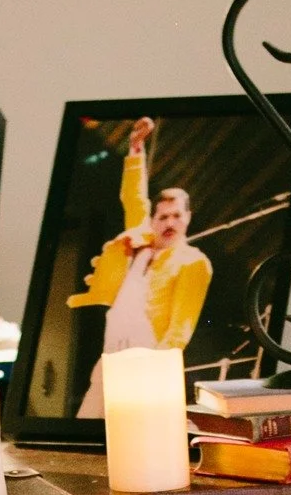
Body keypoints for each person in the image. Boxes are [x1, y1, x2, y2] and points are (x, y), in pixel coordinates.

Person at [68, 116, 212, 416]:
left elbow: (179, 330)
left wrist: (154, 373)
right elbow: (133, 198)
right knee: (86, 426)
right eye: (163, 217)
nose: (170, 223)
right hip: (111, 356)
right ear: (153, 220)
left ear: (188, 218)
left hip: (147, 363)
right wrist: (136, 147)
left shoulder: (194, 262)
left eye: (176, 216)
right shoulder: (141, 243)